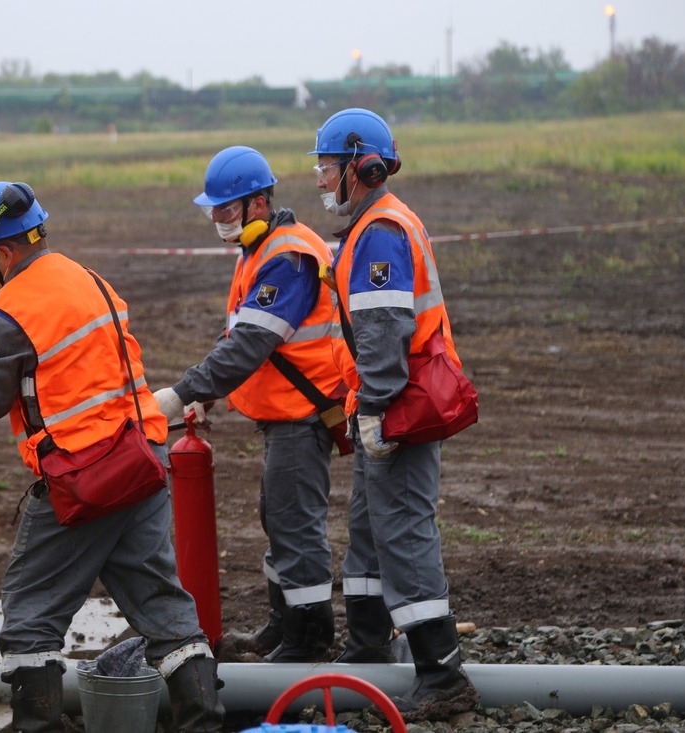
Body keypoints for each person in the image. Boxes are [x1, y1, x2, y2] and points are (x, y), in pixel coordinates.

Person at [0, 181, 225, 733]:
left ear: (3, 253)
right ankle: (204, 721)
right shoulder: (86, 277)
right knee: (162, 605)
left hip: (84, 477)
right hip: (141, 459)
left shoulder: (12, 307)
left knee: (30, 611)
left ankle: (36, 725)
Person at [310, 108, 479, 721]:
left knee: (403, 535)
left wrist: (375, 410)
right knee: (370, 532)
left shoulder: (380, 231)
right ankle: (367, 649)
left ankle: (442, 674)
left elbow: (383, 333)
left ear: (363, 167)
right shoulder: (373, 226)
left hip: (399, 408)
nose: (323, 180)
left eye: (329, 168)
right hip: (384, 406)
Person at [152, 146, 350, 664]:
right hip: (285, 416)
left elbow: (248, 347)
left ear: (258, 203)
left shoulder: (286, 258)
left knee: (293, 525)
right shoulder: (260, 253)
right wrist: (209, 396)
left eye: (226, 209)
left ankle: (308, 643)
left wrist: (182, 394)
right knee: (277, 517)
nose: (217, 220)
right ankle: (283, 627)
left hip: (301, 416)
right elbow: (240, 335)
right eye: (213, 211)